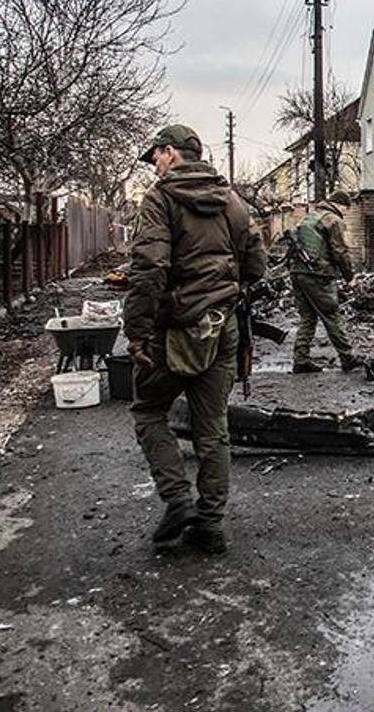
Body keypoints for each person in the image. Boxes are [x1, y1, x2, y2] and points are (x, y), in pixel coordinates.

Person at [124, 123, 267, 554]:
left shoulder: (161, 198)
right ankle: (210, 527)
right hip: (221, 327)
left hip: (173, 330)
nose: (153, 167)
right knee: (213, 428)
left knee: (149, 412)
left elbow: (149, 267)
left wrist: (137, 331)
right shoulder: (232, 201)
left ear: (170, 153)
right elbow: (256, 264)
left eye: (155, 158)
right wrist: (225, 286)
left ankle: (177, 500)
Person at [287, 190, 360, 373]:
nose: (345, 212)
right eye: (346, 208)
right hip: (318, 274)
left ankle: (301, 359)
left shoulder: (309, 217)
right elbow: (340, 251)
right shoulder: (333, 220)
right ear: (341, 204)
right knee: (331, 315)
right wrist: (349, 277)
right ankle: (348, 357)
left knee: (308, 318)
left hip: (298, 272)